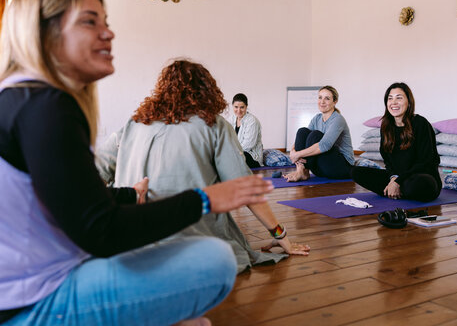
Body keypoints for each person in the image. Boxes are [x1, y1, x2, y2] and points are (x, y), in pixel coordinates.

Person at [0, 0, 274, 326]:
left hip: (20, 285)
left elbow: (84, 186)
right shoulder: (44, 106)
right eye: (89, 22)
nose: (108, 33)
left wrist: (127, 194)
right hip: (25, 303)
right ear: (44, 33)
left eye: (106, 23)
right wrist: (205, 199)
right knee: (214, 259)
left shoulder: (17, 98)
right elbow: (101, 231)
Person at [96, 60, 310, 274]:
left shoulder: (134, 124)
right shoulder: (214, 125)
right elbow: (246, 189)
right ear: (206, 91)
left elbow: (94, 174)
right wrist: (281, 236)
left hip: (129, 241)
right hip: (192, 242)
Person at [351, 82, 442, 202]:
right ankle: (396, 190)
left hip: (421, 177)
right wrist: (393, 178)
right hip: (397, 177)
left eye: (399, 98)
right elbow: (388, 161)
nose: (393, 102)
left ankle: (396, 189)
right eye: (390, 98)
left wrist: (398, 181)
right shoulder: (386, 126)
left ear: (408, 102)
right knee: (356, 172)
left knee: (417, 184)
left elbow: (426, 162)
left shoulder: (420, 123)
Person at [284, 85, 354, 182]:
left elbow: (325, 145)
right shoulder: (317, 118)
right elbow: (303, 137)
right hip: (321, 168)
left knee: (315, 135)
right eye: (320, 97)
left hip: (341, 168)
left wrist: (297, 154)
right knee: (302, 131)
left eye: (327, 98)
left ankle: (302, 171)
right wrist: (292, 151)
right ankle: (302, 172)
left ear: (335, 101)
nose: (322, 102)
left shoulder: (338, 119)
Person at [227, 93, 263, 168]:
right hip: (235, 152)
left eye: (242, 107)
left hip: (251, 156)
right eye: (236, 107)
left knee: (233, 159)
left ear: (246, 107)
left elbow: (248, 145)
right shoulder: (231, 119)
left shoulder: (252, 121)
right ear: (232, 106)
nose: (239, 110)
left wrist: (232, 152)